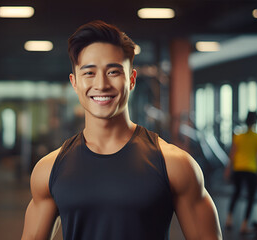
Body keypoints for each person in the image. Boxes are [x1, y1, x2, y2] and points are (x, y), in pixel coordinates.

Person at [21, 20, 222, 239]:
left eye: (113, 72)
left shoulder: (175, 164)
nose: (101, 84)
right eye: (89, 73)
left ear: (131, 79)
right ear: (75, 82)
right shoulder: (49, 169)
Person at [224, 111, 257, 234]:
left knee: (236, 193)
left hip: (238, 168)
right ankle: (244, 224)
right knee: (251, 198)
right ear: (255, 121)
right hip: (251, 170)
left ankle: (229, 219)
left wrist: (228, 168)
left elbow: (232, 154)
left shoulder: (238, 136)